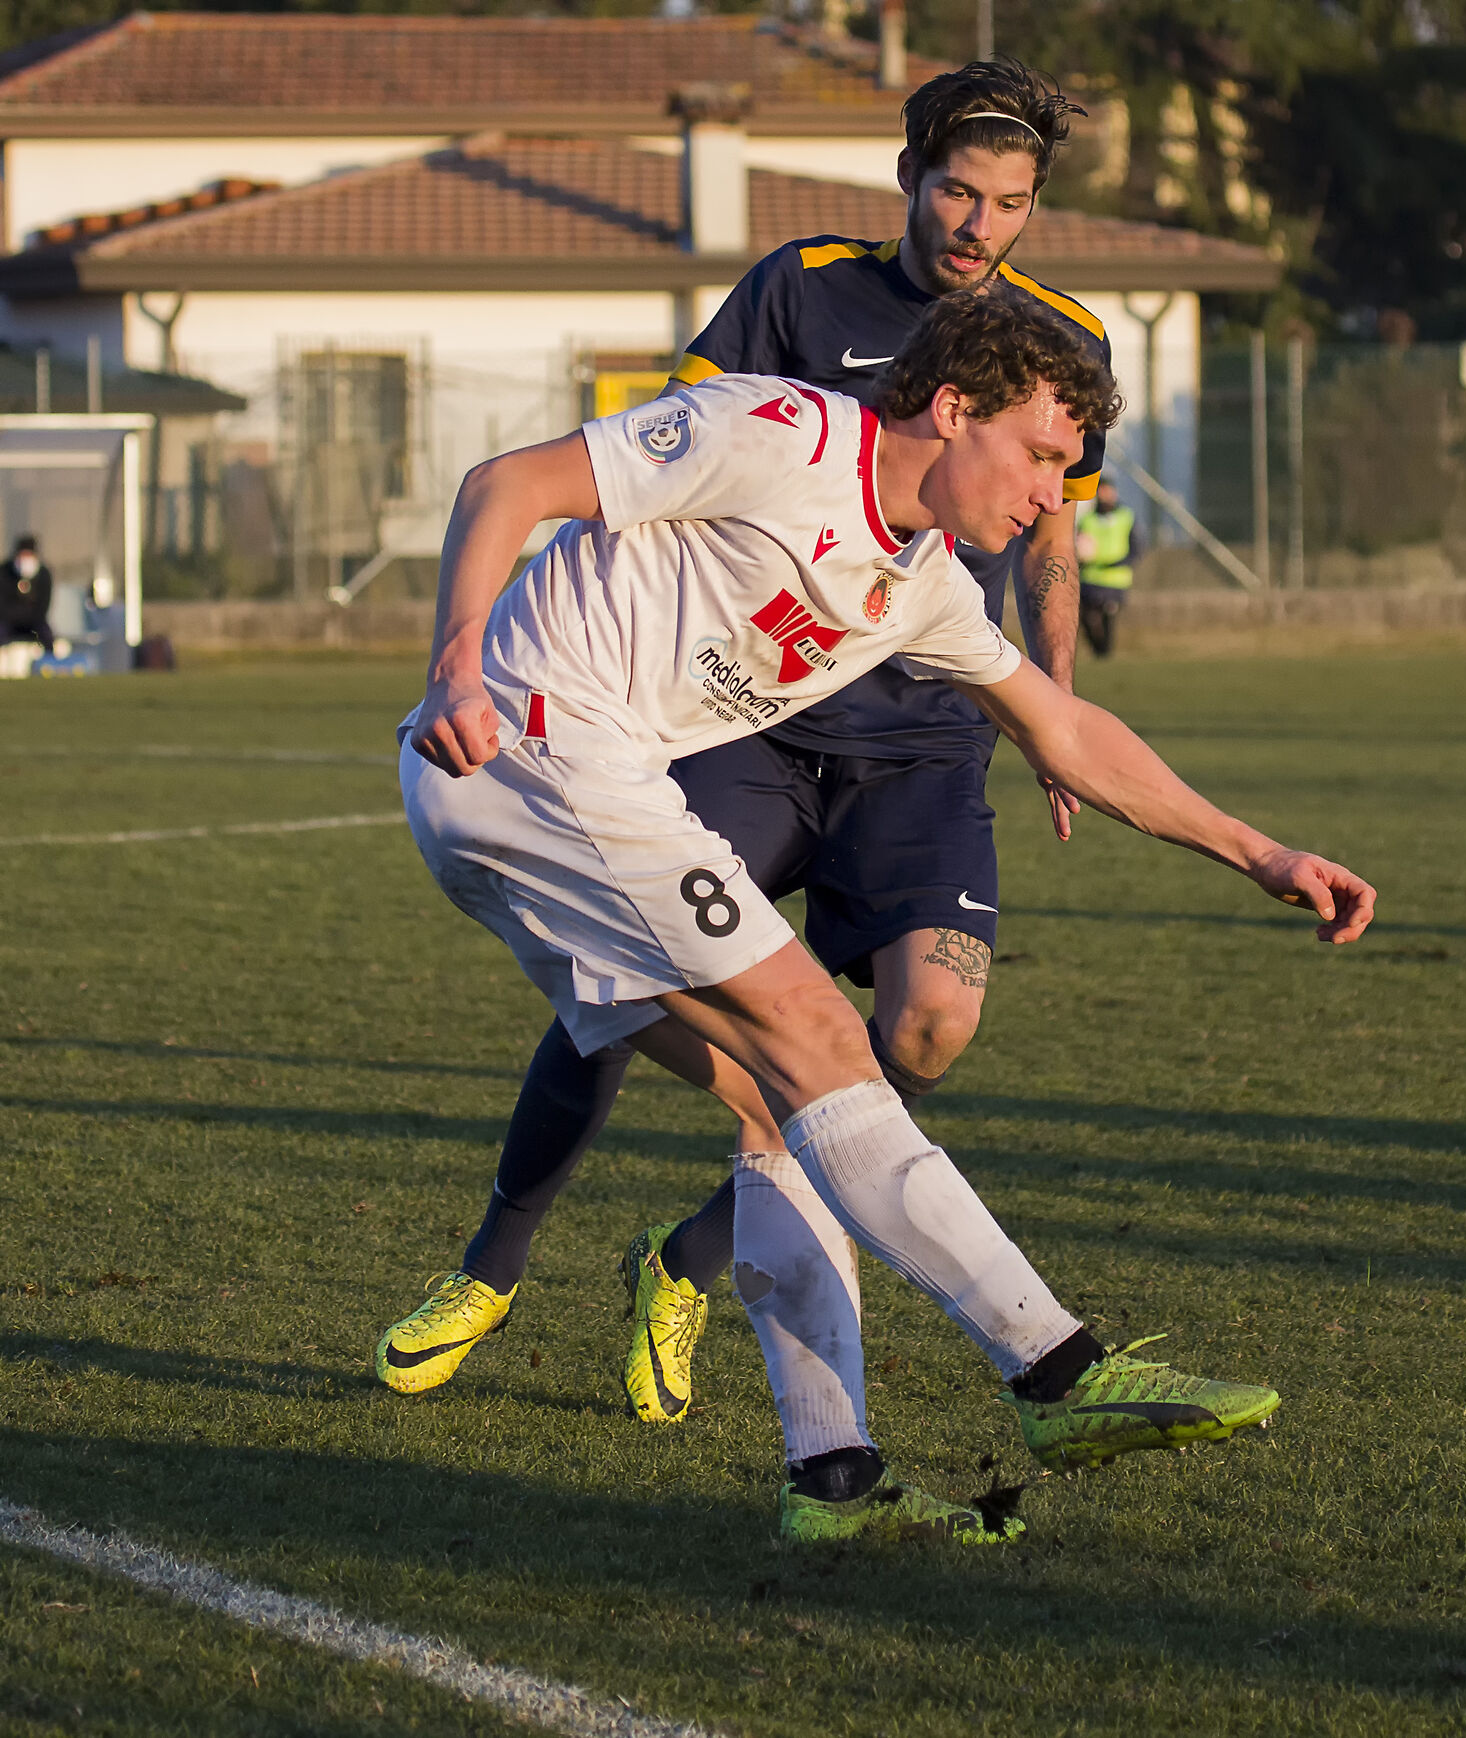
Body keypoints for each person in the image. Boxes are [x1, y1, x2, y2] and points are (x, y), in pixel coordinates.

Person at [396, 294, 1376, 1547]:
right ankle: (1059, 1374)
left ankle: (833, 1473)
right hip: (533, 744)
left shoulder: (919, 586)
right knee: (823, 1034)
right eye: (1036, 456)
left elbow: (1064, 730)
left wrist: (1261, 850)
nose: (1046, 497)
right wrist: (459, 664)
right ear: (953, 406)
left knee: (781, 1104)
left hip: (539, 795)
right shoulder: (779, 431)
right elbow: (505, 482)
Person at [375, 59, 1118, 1432]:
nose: (978, 225)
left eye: (1010, 203)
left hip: (926, 737)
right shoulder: (801, 289)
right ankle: (492, 1263)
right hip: (756, 717)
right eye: (958, 190)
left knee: (924, 1029)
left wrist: (1054, 715)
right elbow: (668, 463)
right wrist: (564, 663)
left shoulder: (1059, 340)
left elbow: (1053, 538)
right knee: (637, 961)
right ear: (909, 177)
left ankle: (692, 1264)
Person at [1075, 475, 1139, 656]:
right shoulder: (1087, 519)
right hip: (1091, 577)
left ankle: (1104, 654)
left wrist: (1120, 563)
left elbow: (1136, 548)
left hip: (1115, 579)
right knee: (1087, 617)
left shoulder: (1126, 516)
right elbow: (1079, 544)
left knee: (1107, 617)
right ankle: (1099, 650)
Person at [3, 537, 53, 648]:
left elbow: (43, 607)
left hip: (34, 624)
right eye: (22, 555)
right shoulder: (4, 571)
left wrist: (28, 617)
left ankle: (49, 663)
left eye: (28, 555)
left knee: (47, 636)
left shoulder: (44, 574)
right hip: (8, 623)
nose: (25, 560)